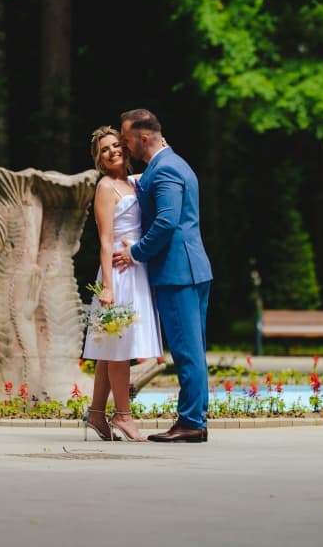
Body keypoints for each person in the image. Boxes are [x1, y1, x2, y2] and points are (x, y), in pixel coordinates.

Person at [113, 109, 213, 443]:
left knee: (187, 350)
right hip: (190, 269)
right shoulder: (172, 163)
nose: (124, 148)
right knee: (192, 348)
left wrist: (135, 252)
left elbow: (167, 221)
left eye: (126, 140)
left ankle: (191, 423)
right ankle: (193, 419)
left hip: (178, 272)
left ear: (143, 138)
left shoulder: (166, 168)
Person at [81, 127, 162, 442]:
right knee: (119, 348)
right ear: (99, 159)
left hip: (136, 269)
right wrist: (108, 287)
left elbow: (158, 165)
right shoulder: (105, 187)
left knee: (109, 349)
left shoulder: (135, 182)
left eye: (116, 145)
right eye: (105, 149)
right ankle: (124, 416)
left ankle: (97, 414)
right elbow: (104, 240)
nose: (112, 151)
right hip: (117, 274)